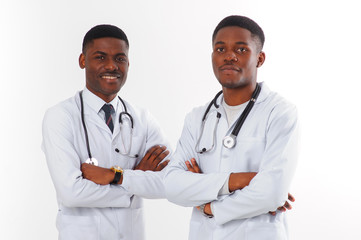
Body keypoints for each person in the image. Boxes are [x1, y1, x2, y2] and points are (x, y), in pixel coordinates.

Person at [164, 15, 298, 239]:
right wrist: (240, 180)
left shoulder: (280, 112)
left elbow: (271, 193)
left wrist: (208, 205)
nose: (229, 56)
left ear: (260, 58)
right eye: (220, 49)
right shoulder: (197, 118)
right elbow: (171, 185)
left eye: (241, 50)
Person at [42, 24, 170, 240]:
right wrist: (136, 180)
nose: (112, 66)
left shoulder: (142, 118)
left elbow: (171, 182)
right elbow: (72, 193)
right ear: (83, 61)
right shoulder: (60, 116)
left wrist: (114, 176)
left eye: (120, 58)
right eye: (100, 57)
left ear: (128, 63)